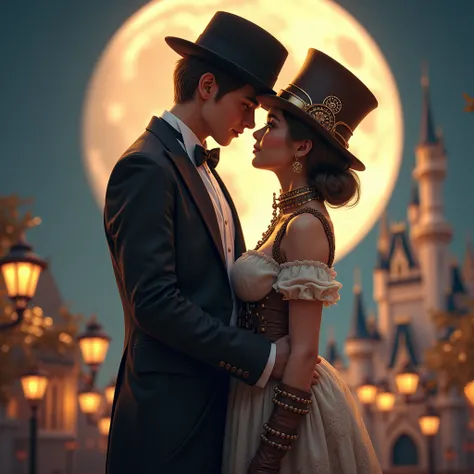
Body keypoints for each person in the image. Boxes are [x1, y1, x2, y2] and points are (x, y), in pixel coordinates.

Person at [102, 11, 319, 474]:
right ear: (206, 87)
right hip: (168, 421)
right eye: (246, 105)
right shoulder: (145, 167)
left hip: (222, 409)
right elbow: (155, 303)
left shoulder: (208, 174)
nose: (250, 123)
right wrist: (264, 357)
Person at [223, 48, 382, 474]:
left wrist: (271, 454)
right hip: (257, 389)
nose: (257, 132)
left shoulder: (306, 225)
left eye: (272, 124)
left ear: (303, 146)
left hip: (283, 407)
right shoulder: (288, 218)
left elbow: (306, 349)